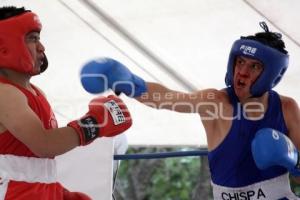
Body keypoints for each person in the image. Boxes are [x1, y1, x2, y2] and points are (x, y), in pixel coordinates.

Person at [80, 22, 300, 199]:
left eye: (254, 66)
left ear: (273, 74)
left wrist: (294, 161)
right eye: (240, 62)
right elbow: (167, 98)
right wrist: (130, 83)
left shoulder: (287, 108)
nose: (241, 72)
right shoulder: (216, 102)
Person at [0, 6, 132, 200]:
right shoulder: (4, 93)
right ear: (5, 45)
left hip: (33, 189)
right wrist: (94, 124)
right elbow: (44, 144)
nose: (41, 47)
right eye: (33, 38)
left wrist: (58, 193)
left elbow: (36, 163)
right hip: (12, 191)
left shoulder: (35, 93)